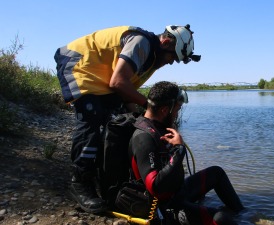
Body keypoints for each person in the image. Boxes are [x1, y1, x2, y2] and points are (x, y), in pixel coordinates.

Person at [53, 25, 201, 213]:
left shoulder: (152, 59)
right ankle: (79, 183)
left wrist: (143, 119)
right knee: (92, 119)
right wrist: (151, 107)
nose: (171, 62)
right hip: (78, 63)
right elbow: (118, 83)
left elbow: (126, 94)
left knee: (120, 122)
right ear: (165, 42)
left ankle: (105, 178)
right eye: (173, 57)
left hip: (101, 77)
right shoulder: (142, 44)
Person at [129, 81, 244, 225]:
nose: (177, 114)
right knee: (221, 218)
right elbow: (155, 187)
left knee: (217, 173)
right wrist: (179, 150)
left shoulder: (159, 126)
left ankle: (244, 214)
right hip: (166, 206)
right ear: (165, 110)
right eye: (177, 109)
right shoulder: (143, 137)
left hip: (178, 191)